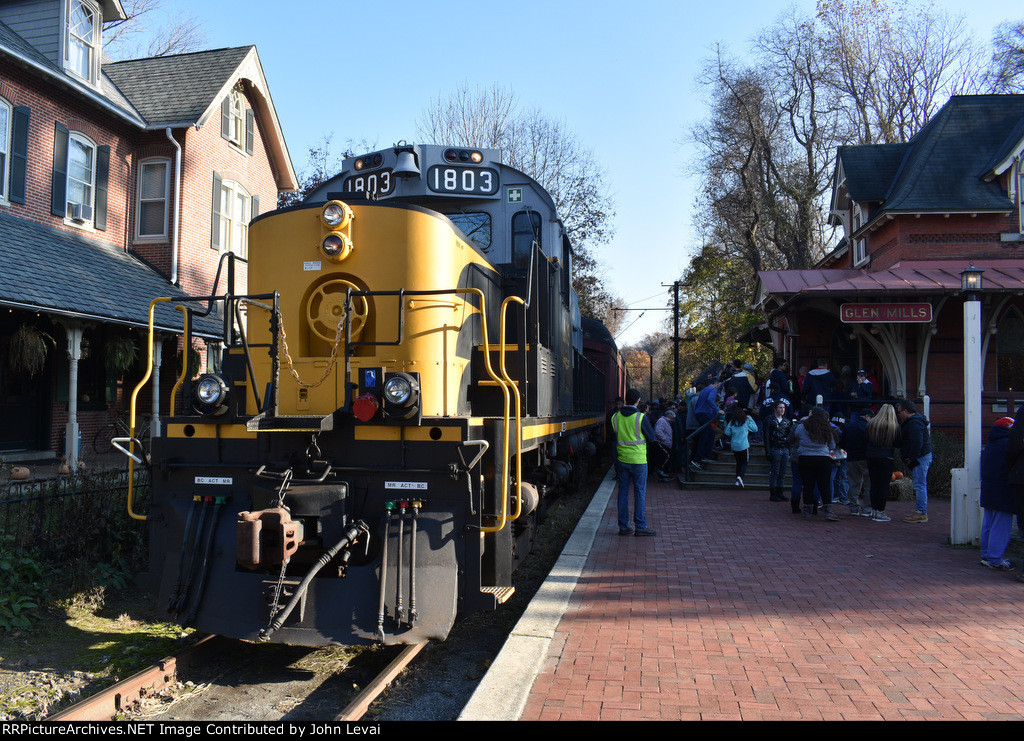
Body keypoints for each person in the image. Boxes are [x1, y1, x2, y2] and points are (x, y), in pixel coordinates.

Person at [611, 388, 657, 536]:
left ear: (626, 400)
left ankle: (623, 526)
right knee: (639, 492)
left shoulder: (615, 417)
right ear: (637, 401)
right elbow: (652, 437)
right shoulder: (641, 418)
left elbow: (614, 437)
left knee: (623, 492)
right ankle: (640, 526)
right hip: (638, 460)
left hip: (622, 459)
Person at [980, 417, 1016, 569]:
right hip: (1003, 489)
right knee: (1001, 525)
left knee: (988, 523)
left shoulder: (991, 444)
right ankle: (995, 559)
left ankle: (986, 554)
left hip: (988, 488)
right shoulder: (1008, 444)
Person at [791, 407, 839, 520]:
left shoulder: (802, 426)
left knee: (808, 485)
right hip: (823, 458)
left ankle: (807, 509)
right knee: (825, 486)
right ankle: (828, 510)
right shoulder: (827, 428)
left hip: (805, 458)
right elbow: (832, 445)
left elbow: (796, 438)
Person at [896, 399, 932, 523]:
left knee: (919, 484)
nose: (899, 414)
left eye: (900, 411)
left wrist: (911, 458)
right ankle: (920, 511)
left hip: (919, 457)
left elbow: (917, 442)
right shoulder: (915, 422)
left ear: (905, 411)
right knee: (920, 483)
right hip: (921, 456)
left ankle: (921, 512)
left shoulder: (914, 424)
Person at [865, 404, 901, 522]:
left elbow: (866, 439)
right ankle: (880, 511)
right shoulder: (893, 427)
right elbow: (897, 443)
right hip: (886, 457)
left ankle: (874, 509)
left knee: (874, 484)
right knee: (883, 485)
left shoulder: (871, 424)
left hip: (872, 456)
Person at [841, 409, 871, 516]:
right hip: (865, 457)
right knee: (868, 484)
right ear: (867, 416)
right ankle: (867, 509)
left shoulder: (849, 426)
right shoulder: (868, 427)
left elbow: (841, 442)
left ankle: (854, 508)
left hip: (851, 458)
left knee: (853, 483)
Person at [763, 400, 792, 502]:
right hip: (774, 447)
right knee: (775, 471)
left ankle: (780, 492)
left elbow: (789, 436)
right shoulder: (769, 420)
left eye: (783, 408)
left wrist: (789, 449)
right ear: (775, 408)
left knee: (782, 473)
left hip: (784, 448)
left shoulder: (787, 421)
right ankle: (773, 493)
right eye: (780, 408)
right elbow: (766, 436)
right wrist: (767, 451)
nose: (782, 410)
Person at [724, 407, 758, 488]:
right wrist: (751, 419)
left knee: (738, 462)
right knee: (744, 462)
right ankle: (740, 477)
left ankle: (737, 480)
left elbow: (727, 432)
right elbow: (755, 429)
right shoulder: (746, 422)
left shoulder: (732, 422)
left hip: (734, 446)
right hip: (743, 445)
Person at [693, 379, 719, 469]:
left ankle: (705, 455)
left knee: (709, 434)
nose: (718, 387)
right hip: (704, 414)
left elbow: (698, 403)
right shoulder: (713, 389)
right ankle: (698, 458)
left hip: (699, 413)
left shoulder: (704, 390)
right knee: (706, 435)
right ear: (715, 384)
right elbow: (710, 399)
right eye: (717, 385)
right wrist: (718, 411)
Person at [654, 409, 676, 482]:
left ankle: (663, 473)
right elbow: (658, 430)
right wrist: (664, 438)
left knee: (667, 456)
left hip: (665, 442)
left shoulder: (666, 421)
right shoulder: (662, 421)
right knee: (667, 456)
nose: (673, 420)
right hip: (662, 442)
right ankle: (660, 470)